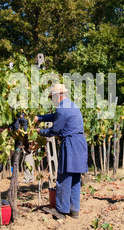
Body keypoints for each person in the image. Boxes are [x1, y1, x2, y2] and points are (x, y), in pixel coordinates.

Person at [34, 84, 88, 219]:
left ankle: (61, 210)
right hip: (80, 143)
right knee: (75, 178)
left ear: (58, 96)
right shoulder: (71, 105)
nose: (52, 100)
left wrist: (40, 132)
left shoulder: (62, 109)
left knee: (64, 177)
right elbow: (55, 116)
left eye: (52, 97)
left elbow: (54, 131)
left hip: (70, 144)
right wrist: (40, 117)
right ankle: (74, 210)